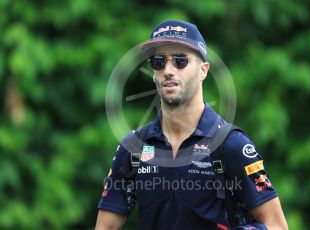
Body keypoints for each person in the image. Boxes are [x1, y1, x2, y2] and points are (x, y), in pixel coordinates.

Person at [95, 20, 288, 230]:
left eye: (180, 60)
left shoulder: (231, 145)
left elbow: (276, 225)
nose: (168, 70)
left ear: (203, 70)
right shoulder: (134, 146)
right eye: (158, 61)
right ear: (154, 73)